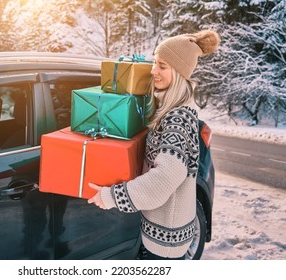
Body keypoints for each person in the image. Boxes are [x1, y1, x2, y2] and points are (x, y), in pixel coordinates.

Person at [88, 30, 220, 260]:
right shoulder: (174, 109)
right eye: (154, 63)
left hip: (165, 245)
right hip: (165, 235)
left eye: (162, 66)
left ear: (178, 72)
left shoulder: (177, 119)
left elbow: (163, 179)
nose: (153, 71)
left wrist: (110, 197)